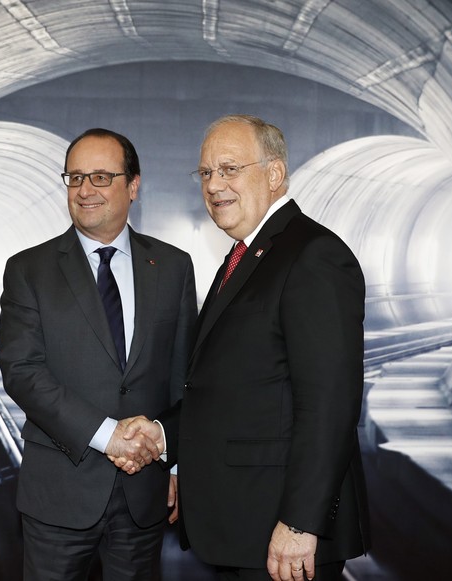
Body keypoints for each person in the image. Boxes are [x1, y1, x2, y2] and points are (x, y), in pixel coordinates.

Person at [116, 115, 370, 580]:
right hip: (246, 524)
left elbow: (329, 404)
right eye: (206, 173)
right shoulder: (244, 256)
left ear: (274, 174)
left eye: (230, 169)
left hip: (282, 533)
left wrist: (299, 523)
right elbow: (231, 389)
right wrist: (163, 433)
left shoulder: (312, 255)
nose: (214, 185)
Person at [0, 127, 197, 580]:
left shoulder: (172, 266)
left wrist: (177, 463)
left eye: (102, 177)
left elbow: (184, 376)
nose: (85, 189)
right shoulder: (29, 269)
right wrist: (109, 436)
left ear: (134, 186)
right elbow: (22, 371)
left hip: (145, 492)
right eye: (75, 177)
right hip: (59, 494)